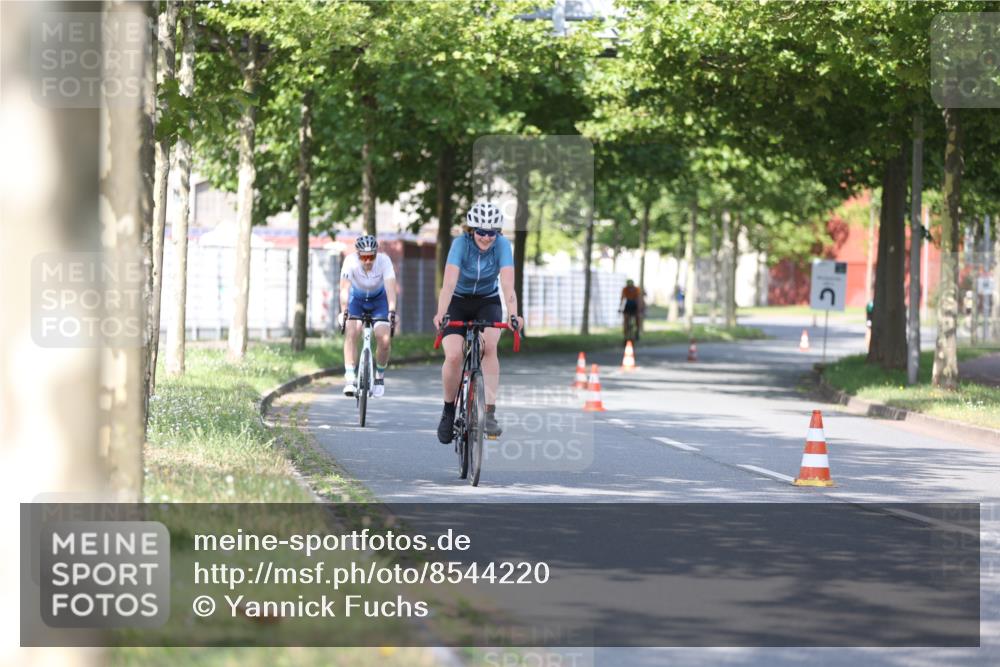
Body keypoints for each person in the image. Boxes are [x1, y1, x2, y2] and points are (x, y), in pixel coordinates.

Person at [433, 202, 523, 444]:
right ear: (471, 230)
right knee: (453, 355)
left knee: (489, 346)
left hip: (487, 301)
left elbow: (507, 286)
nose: (485, 237)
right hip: (458, 301)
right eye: (480, 232)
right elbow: (449, 284)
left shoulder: (503, 246)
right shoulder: (460, 244)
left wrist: (513, 315)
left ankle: (489, 412)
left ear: (498, 233)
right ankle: (448, 410)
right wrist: (441, 313)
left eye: (491, 233)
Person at [338, 235, 397, 398]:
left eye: (371, 256)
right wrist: (344, 310)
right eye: (364, 257)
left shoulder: (384, 261)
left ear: (376, 254)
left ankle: (379, 377)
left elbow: (391, 288)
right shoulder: (350, 261)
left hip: (379, 301)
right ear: (358, 255)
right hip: (356, 300)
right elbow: (344, 289)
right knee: (352, 331)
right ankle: (350, 378)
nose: (368, 260)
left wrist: (392, 311)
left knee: (384, 340)